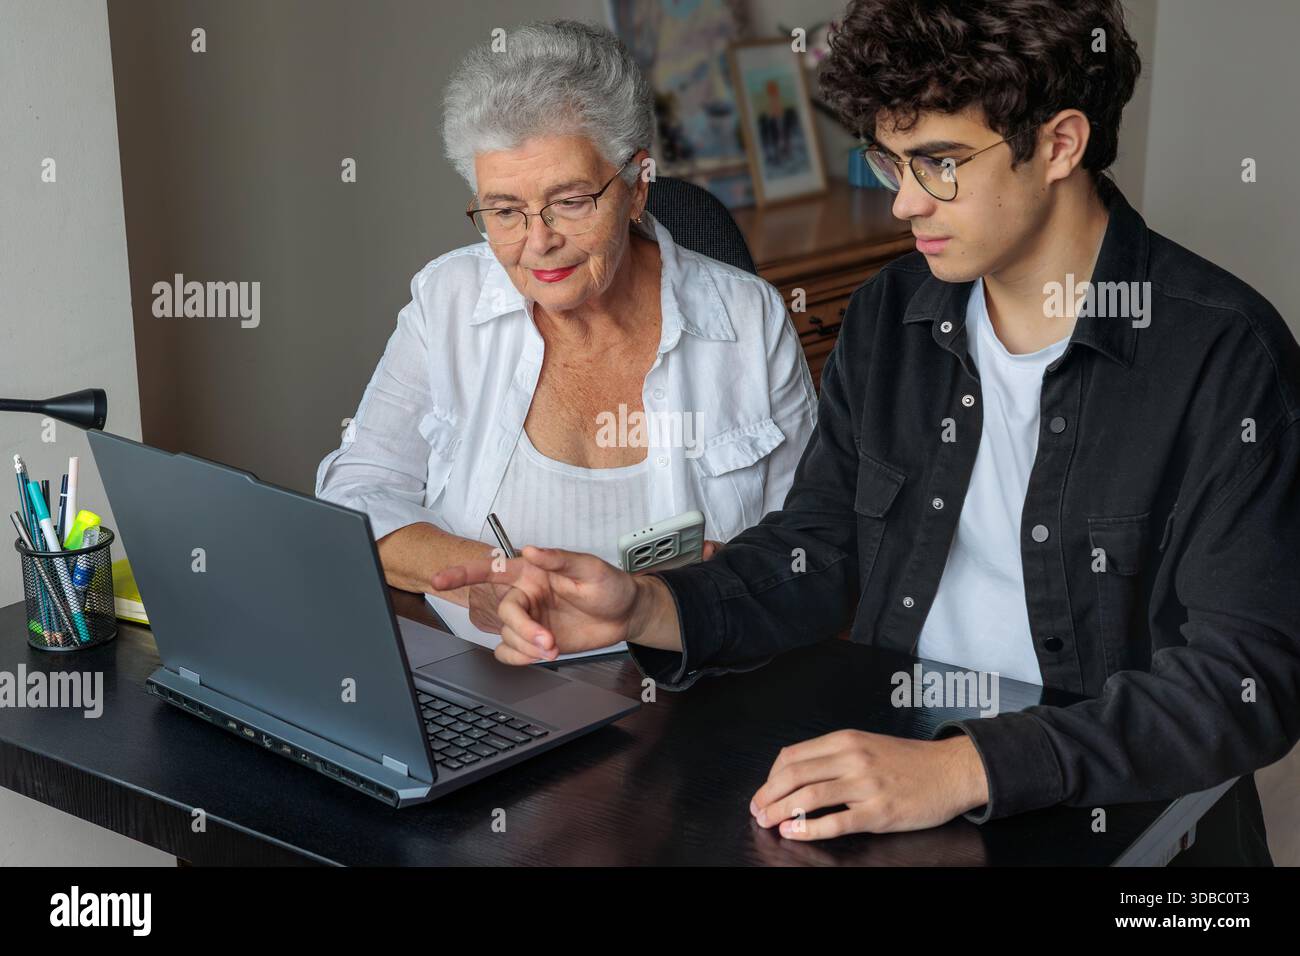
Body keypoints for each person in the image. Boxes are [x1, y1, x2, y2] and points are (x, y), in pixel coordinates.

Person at [434, 0, 1299, 862]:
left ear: (1061, 144)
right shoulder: (894, 312)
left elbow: (1247, 682)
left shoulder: (1225, 354)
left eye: (940, 163)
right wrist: (648, 605)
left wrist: (965, 767)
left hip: (1125, 824)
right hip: (901, 779)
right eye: (891, 162)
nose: (904, 203)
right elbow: (819, 547)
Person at [316, 20, 816, 636]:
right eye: (505, 211)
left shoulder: (749, 318)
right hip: (485, 672)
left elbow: (808, 547)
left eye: (571, 201)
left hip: (691, 673)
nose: (538, 242)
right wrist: (485, 577)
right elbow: (357, 493)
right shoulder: (447, 300)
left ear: (636, 187)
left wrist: (700, 594)